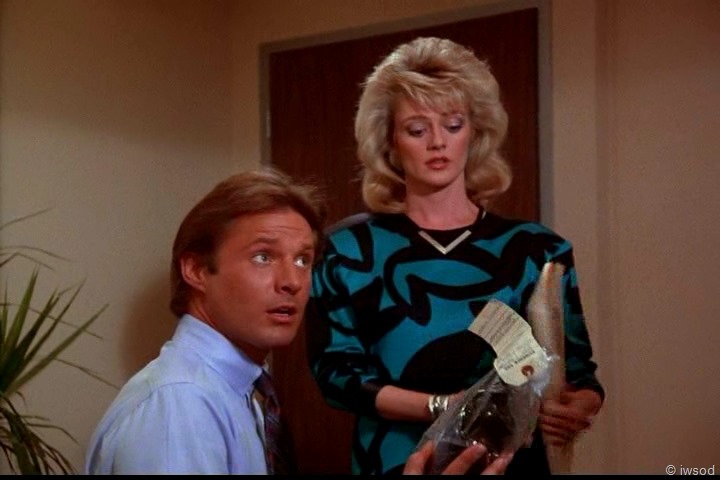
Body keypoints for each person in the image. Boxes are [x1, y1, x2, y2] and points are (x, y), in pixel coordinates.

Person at [306, 37, 605, 475]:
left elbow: (580, 373)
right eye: (417, 129)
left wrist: (581, 406)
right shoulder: (348, 251)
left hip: (510, 465)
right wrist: (446, 407)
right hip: (397, 463)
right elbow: (336, 376)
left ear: (475, 133)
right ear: (390, 142)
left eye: (452, 125)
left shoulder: (538, 250)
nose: (437, 143)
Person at [83, 166, 506, 475]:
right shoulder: (180, 407)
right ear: (196, 270)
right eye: (263, 257)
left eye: (303, 260)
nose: (292, 281)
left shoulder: (243, 391)